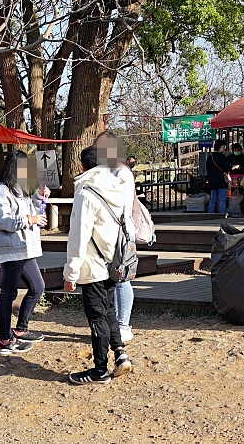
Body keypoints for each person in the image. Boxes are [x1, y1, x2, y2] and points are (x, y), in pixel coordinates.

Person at [63, 145, 134, 384]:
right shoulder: (116, 188)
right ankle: (120, 354)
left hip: (93, 264)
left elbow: (78, 236)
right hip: (113, 261)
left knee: (97, 317)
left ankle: (100, 370)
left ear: (83, 166)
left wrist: (70, 273)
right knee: (108, 311)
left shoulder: (86, 193)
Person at [0, 150, 48, 356]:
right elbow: (1, 221)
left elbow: (30, 211)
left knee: (37, 287)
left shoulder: (20, 189)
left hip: (25, 248)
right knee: (8, 294)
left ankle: (20, 330)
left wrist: (38, 197)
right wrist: (29, 220)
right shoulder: (2, 191)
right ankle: (5, 341)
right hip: (12, 250)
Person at [95, 131, 137, 344]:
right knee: (115, 277)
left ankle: (123, 325)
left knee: (122, 277)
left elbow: (114, 199)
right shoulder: (110, 170)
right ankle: (118, 324)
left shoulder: (121, 173)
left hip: (122, 231)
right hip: (110, 231)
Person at [205, 139, 231, 215]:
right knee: (222, 200)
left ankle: (210, 215)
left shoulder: (210, 157)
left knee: (213, 199)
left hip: (212, 182)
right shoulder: (222, 157)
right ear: (219, 147)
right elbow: (225, 168)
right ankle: (222, 215)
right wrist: (232, 167)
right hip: (221, 181)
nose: (224, 149)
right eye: (223, 147)